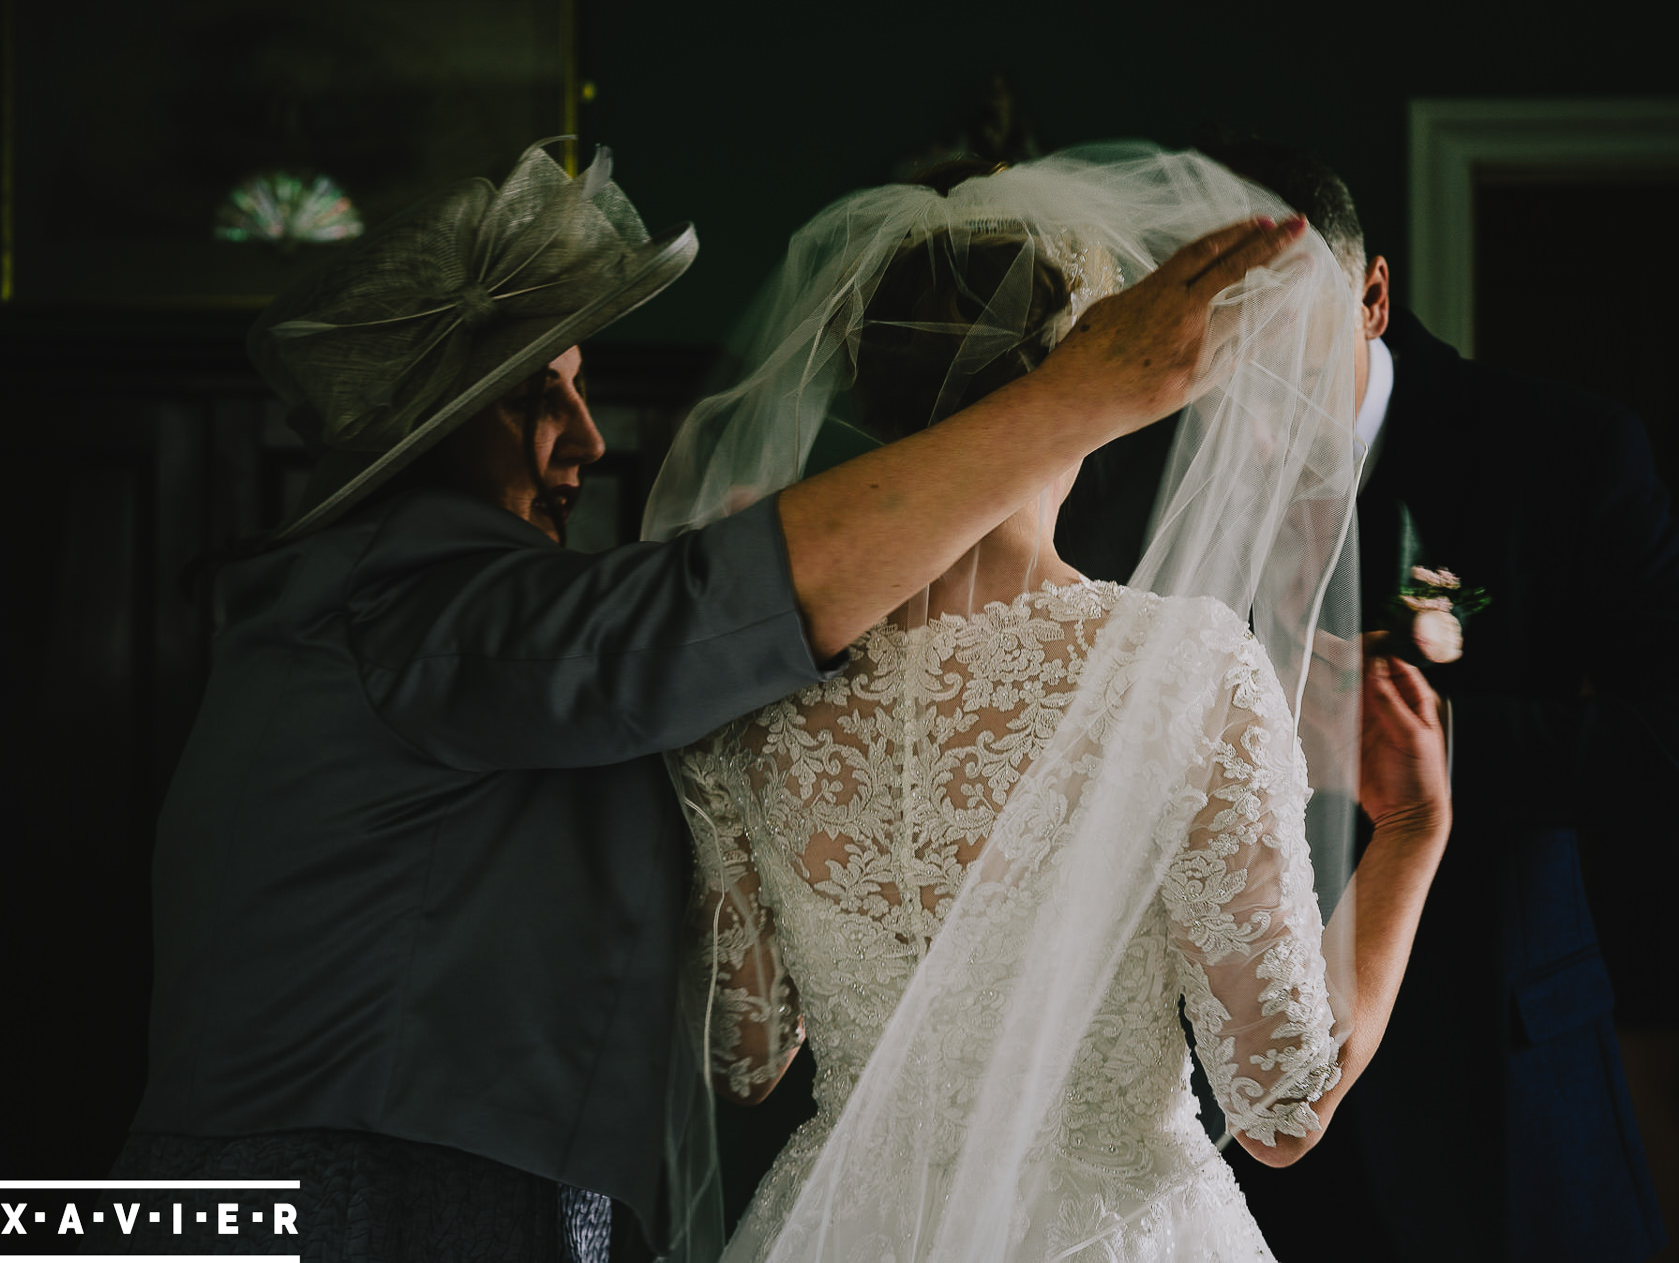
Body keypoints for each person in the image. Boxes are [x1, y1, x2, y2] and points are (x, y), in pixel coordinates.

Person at [107, 139, 1303, 1262]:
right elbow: (701, 614)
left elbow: (747, 1046)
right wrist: (1075, 396)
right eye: (543, 396)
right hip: (339, 1188)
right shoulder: (407, 606)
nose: (584, 440)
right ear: (437, 420)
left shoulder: (398, 605)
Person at [647, 146, 1456, 1261]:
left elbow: (746, 1058)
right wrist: (1413, 832)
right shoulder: (1180, 669)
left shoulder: (747, 685)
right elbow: (1279, 1110)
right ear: (1096, 368)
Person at [1059, 138, 1679, 1263]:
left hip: (1498, 1104)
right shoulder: (1119, 475)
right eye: (1225, 360)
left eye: (1288, 355)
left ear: (1370, 298)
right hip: (1225, 1121)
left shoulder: (1556, 454)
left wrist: (1443, 744)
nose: (1257, 421)